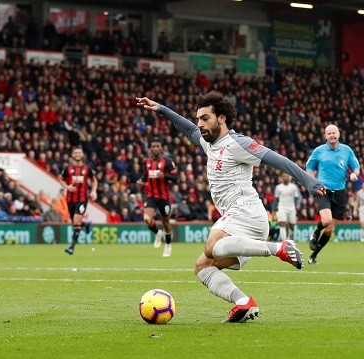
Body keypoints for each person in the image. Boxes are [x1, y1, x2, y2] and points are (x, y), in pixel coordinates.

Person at [136, 91, 325, 323]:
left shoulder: (239, 143)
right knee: (203, 267)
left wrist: (308, 181)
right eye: (198, 119)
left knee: (211, 246)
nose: (200, 124)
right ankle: (243, 302)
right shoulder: (208, 142)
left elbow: (278, 160)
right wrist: (161, 108)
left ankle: (279, 248)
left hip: (247, 211)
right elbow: (186, 128)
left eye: (205, 118)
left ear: (222, 118)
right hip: (239, 225)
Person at [305, 124, 360, 265]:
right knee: (327, 220)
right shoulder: (319, 151)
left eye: (334, 133)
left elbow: (356, 166)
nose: (332, 135)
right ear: (325, 136)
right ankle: (315, 233)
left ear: (339, 134)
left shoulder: (347, 150)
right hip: (324, 190)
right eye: (329, 133)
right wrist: (312, 182)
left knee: (330, 229)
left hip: (340, 192)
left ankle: (314, 255)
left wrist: (354, 174)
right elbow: (309, 167)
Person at [136, 138, 178, 257]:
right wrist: (141, 181)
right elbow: (146, 175)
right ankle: (158, 233)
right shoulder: (147, 162)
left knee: (165, 222)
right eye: (153, 146)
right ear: (150, 149)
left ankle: (168, 245)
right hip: (151, 196)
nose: (155, 148)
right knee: (146, 219)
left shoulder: (168, 162)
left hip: (164, 197)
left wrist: (164, 175)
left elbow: (176, 178)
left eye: (157, 146)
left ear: (161, 148)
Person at [59, 146, 97, 255]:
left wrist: (94, 191)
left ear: (82, 155)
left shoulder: (87, 169)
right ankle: (86, 224)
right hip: (70, 199)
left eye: (79, 152)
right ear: (72, 155)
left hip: (82, 199)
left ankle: (72, 247)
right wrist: (67, 187)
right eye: (75, 152)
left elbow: (94, 180)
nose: (77, 154)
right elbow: (60, 179)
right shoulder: (68, 169)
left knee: (76, 220)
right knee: (75, 222)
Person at [273, 173, 301, 241]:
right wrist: (273, 210)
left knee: (292, 225)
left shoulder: (293, 187)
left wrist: (298, 204)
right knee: (282, 223)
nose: (284, 177)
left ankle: (288, 237)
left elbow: (297, 197)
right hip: (282, 207)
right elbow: (276, 199)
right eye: (283, 176)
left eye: (286, 176)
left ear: (289, 177)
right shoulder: (278, 187)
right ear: (282, 178)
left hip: (291, 208)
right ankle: (284, 241)